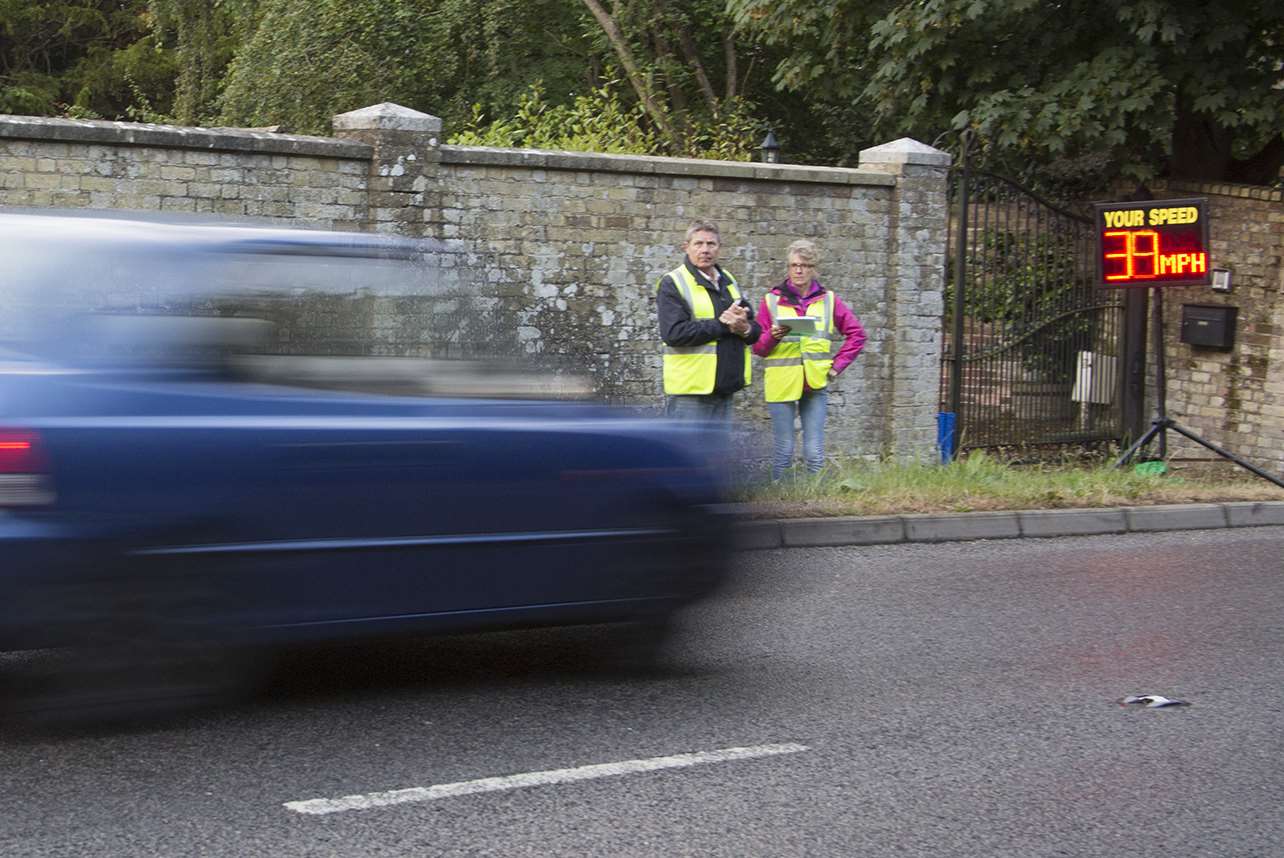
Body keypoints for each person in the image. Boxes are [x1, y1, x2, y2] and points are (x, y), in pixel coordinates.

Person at [753, 239, 866, 479]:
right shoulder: (771, 300)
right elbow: (759, 348)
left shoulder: (829, 300)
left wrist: (836, 367)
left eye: (804, 265)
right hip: (781, 381)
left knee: (814, 450)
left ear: (814, 268)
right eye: (793, 265)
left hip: (815, 381)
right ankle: (779, 497)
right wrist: (772, 337)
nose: (798, 270)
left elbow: (857, 335)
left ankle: (815, 496)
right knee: (784, 449)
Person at [656, 220, 761, 421]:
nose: (705, 250)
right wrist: (723, 325)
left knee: (717, 453)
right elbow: (674, 334)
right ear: (686, 247)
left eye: (711, 244)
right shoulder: (673, 282)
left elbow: (754, 329)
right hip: (691, 392)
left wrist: (744, 328)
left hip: (725, 387)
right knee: (687, 453)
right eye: (699, 244)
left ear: (719, 248)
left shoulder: (728, 280)